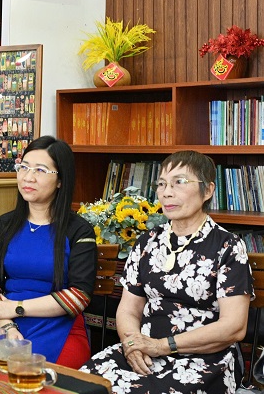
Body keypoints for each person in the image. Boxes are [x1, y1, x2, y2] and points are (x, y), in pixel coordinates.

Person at [79, 150, 253, 393]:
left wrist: (162, 345)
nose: (166, 192)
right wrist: (132, 344)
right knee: (83, 384)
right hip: (144, 352)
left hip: (205, 360)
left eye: (179, 182)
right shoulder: (147, 242)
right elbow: (129, 309)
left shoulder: (228, 246)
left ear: (208, 190)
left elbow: (234, 326)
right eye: (162, 184)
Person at [0, 136, 97, 369]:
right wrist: (8, 326)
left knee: (41, 380)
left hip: (60, 325)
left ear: (60, 180)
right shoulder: (2, 226)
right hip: (5, 322)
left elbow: (79, 296)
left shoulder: (79, 230)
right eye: (24, 167)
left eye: (40, 170)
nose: (28, 177)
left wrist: (17, 307)